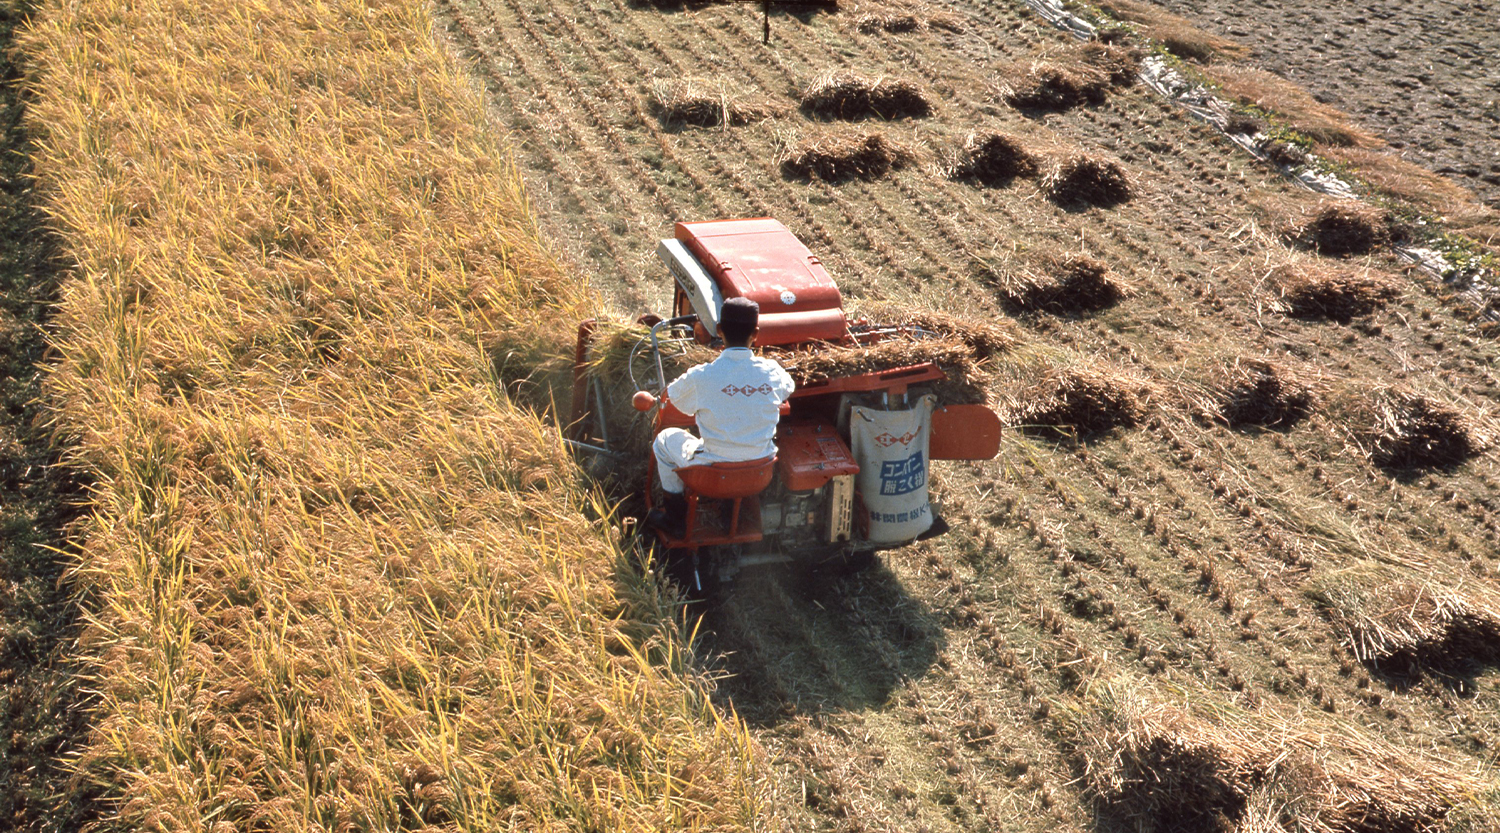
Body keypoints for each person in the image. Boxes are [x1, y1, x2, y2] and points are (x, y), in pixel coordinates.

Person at [649, 297, 795, 535]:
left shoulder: (701, 376)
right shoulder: (773, 372)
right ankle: (730, 513)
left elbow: (673, 398)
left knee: (664, 439)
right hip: (759, 472)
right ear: (755, 334)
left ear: (719, 330)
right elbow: (788, 388)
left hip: (711, 476)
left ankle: (675, 519)